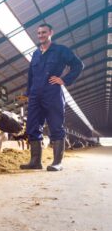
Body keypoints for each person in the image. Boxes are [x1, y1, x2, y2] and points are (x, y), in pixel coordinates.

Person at [20, 23, 83, 171]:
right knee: (32, 126)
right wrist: (29, 93)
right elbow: (31, 75)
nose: (41, 35)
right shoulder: (36, 53)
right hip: (35, 95)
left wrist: (64, 80)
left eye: (44, 32)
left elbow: (78, 65)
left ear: (51, 33)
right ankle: (35, 161)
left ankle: (57, 162)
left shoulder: (61, 51)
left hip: (52, 93)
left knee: (56, 126)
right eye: (39, 33)